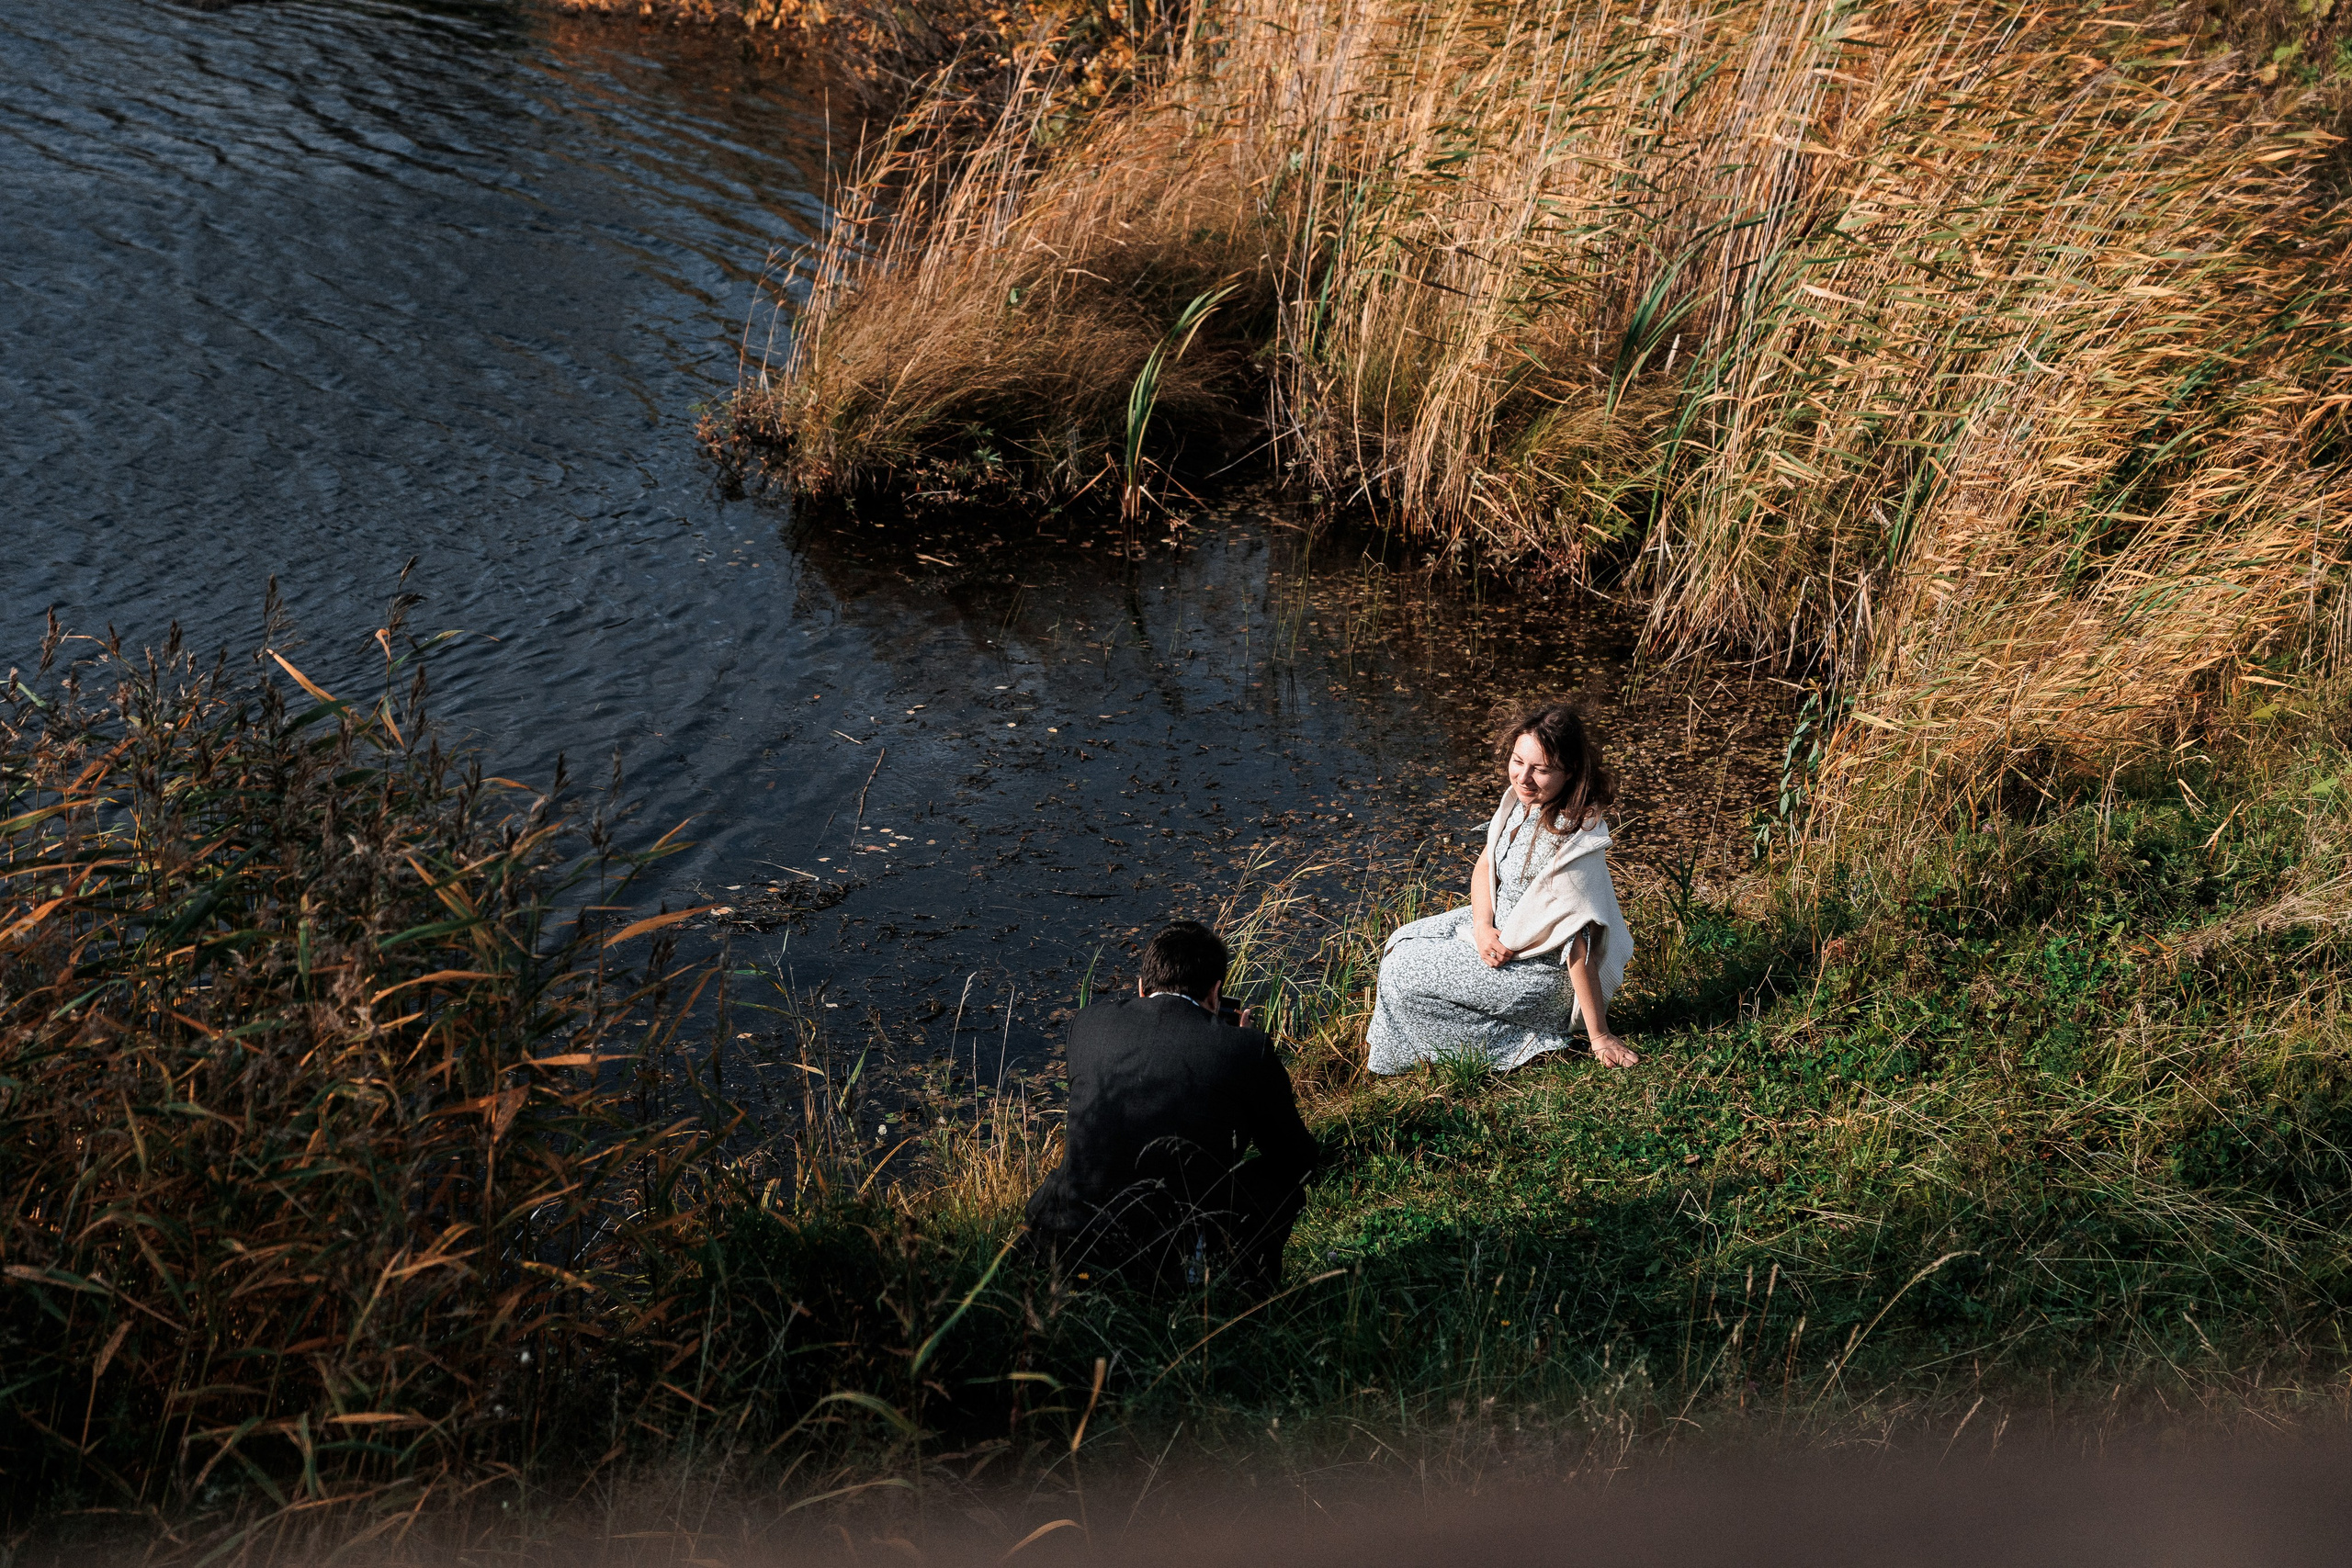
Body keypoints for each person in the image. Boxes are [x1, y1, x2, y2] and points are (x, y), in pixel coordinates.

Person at [1023, 920, 1317, 1293]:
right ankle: (1244, 1296)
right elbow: (1298, 1158)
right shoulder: (1245, 1049)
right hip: (1165, 1269)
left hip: (1067, 1246)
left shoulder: (1087, 1024)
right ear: (1215, 992)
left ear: (1142, 988)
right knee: (1279, 1183)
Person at [1366, 702, 1638, 1075]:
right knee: (1400, 940)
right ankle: (1434, 1048)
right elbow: (1486, 865)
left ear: (1570, 771)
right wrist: (1482, 928)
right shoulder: (1522, 803)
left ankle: (1523, 1042)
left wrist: (1599, 1035)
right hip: (1501, 928)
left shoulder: (1570, 840)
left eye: (1540, 769)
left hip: (1540, 972)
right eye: (1517, 761)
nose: (1522, 777)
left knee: (1401, 971)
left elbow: (1579, 944)